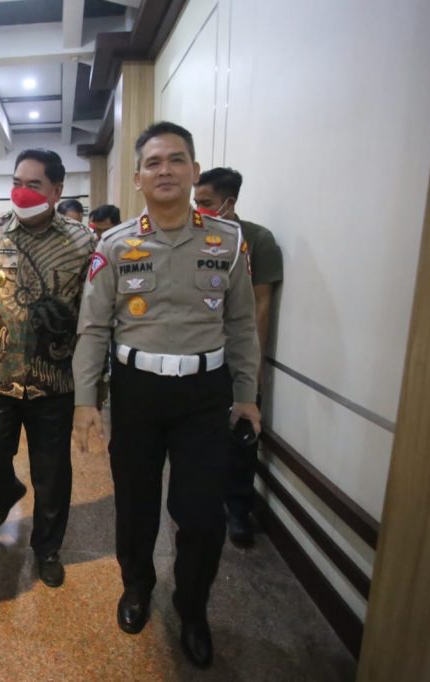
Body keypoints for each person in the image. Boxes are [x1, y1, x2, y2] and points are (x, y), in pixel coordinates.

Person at [72, 122, 259, 669]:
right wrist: (86, 401)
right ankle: (136, 586)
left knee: (201, 515)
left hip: (205, 393)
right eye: (153, 163)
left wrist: (246, 395)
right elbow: (93, 328)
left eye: (176, 160)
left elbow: (242, 325)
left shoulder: (228, 242)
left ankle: (192, 608)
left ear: (194, 171)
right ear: (138, 178)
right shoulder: (114, 244)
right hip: (138, 392)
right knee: (135, 503)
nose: (165, 170)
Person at [0, 148, 95, 588]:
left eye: (34, 184)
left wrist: (92, 387)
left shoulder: (83, 242)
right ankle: (5, 491)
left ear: (56, 190)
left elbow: (93, 317)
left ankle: (47, 548)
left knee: (53, 474)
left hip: (55, 380)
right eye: (17, 182)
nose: (21, 191)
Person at [195, 167, 283, 547]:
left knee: (241, 438)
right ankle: (203, 503)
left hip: (237, 356)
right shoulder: (195, 236)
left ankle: (238, 510)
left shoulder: (257, 240)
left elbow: (260, 306)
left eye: (206, 202)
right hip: (200, 356)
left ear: (229, 203)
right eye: (196, 202)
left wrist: (253, 365)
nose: (198, 209)